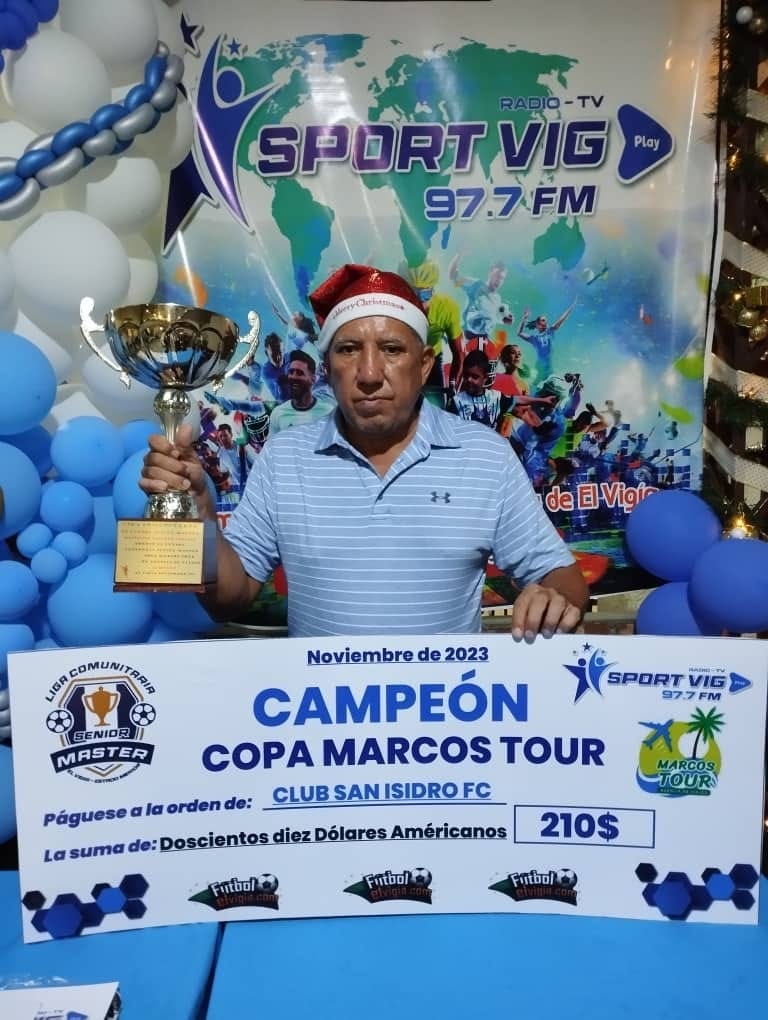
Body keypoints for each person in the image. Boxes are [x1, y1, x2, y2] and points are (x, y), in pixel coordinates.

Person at [141, 264, 589, 639]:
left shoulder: (484, 456)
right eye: (349, 350)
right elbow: (229, 599)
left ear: (424, 365)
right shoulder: (284, 459)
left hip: (445, 714)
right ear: (327, 368)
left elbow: (565, 579)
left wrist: (553, 598)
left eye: (392, 350)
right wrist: (199, 518)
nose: (370, 373)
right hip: (321, 715)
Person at [268, 349, 336, 435]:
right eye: (291, 372)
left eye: (300, 373)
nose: (293, 376)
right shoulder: (279, 413)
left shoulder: (329, 411)